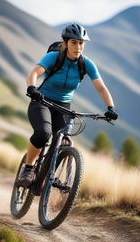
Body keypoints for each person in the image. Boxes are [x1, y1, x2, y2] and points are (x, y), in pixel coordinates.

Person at [19, 23, 118, 187]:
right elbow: (34, 73)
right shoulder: (53, 57)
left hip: (63, 106)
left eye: (81, 43)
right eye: (74, 42)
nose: (78, 47)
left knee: (63, 142)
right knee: (44, 134)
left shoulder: (86, 64)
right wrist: (32, 87)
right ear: (65, 43)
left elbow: (101, 88)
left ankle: (49, 175)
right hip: (42, 100)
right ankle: (28, 169)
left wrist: (110, 108)